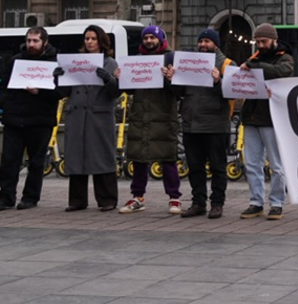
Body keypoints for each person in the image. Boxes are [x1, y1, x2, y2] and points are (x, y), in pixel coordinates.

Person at [120, 25, 182, 215]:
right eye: (145, 38)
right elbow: (129, 89)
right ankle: (137, 197)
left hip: (163, 116)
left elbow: (179, 92)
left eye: (152, 38)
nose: (148, 41)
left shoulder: (171, 59)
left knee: (168, 157)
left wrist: (171, 79)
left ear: (160, 39)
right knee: (138, 157)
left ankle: (174, 198)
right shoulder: (136, 60)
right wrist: (121, 78)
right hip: (141, 115)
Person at [172, 29, 232, 219]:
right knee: (195, 167)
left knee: (217, 167)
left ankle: (217, 203)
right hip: (191, 123)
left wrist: (218, 81)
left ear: (216, 44)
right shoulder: (189, 63)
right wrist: (172, 78)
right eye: (201, 41)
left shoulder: (226, 64)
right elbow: (180, 92)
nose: (203, 45)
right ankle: (198, 202)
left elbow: (234, 92)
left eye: (207, 41)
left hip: (215, 124)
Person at [60, 25, 122, 212]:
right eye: (87, 38)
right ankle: (77, 200)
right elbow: (63, 92)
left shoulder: (111, 63)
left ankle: (107, 199)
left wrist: (108, 79)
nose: (89, 42)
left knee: (102, 155)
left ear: (101, 41)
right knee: (76, 155)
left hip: (99, 116)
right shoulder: (75, 62)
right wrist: (58, 78)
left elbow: (116, 93)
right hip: (77, 115)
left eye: (93, 38)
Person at [0, 27, 61, 210]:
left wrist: (39, 92)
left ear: (45, 42)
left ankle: (30, 197)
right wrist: (6, 103)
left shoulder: (55, 63)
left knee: (36, 162)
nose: (31, 44)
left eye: (35, 41)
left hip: (40, 120)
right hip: (14, 118)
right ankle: (6, 197)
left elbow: (60, 92)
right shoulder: (16, 60)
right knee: (9, 160)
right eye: (29, 41)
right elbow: (4, 84)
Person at [238, 22, 294, 220]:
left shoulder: (284, 58)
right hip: (252, 117)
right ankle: (256, 202)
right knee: (252, 163)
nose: (260, 45)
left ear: (274, 40)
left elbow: (281, 72)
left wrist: (254, 66)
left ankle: (277, 203)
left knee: (276, 165)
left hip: (272, 119)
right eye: (258, 41)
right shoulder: (254, 58)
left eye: (264, 41)